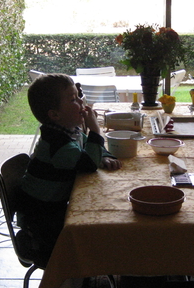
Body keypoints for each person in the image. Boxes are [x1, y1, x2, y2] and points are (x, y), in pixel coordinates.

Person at [18, 73, 122, 266]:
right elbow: (89, 164)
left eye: (79, 97)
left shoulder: (68, 130)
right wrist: (95, 130)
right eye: (73, 99)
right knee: (93, 229)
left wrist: (104, 155)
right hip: (42, 217)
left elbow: (85, 150)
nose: (81, 102)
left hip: (55, 204)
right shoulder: (57, 145)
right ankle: (32, 243)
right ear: (55, 115)